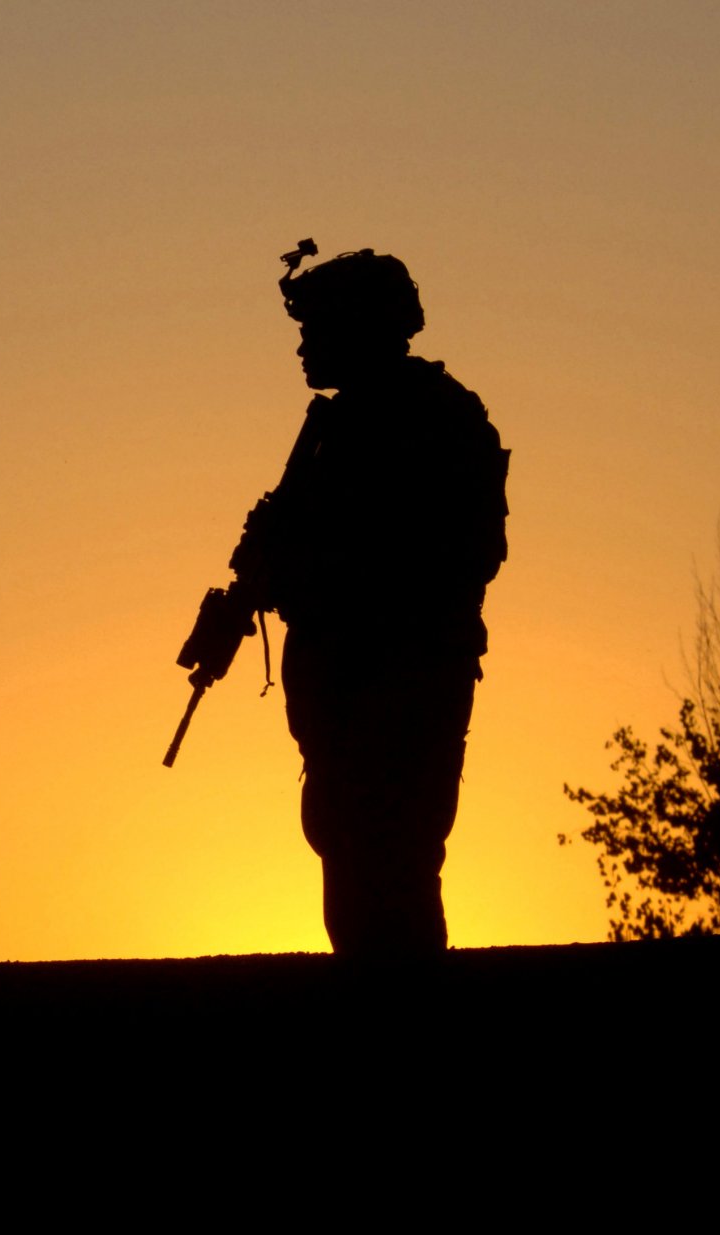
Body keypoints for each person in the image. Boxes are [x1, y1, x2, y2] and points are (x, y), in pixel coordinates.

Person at [238, 246, 509, 957]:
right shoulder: (337, 429)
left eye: (315, 329)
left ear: (359, 327)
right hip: (340, 687)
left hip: (402, 680)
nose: (302, 346)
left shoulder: (432, 419)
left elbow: (458, 556)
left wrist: (311, 569)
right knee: (349, 852)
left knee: (395, 858)